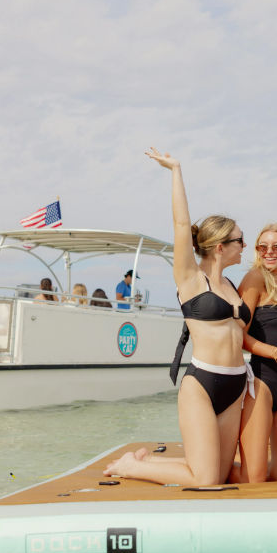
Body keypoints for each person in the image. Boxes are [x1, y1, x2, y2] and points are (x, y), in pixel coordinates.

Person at [103, 148, 250, 487]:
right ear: (219, 247)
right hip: (203, 383)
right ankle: (131, 466)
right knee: (207, 478)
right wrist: (175, 171)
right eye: (239, 240)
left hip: (236, 383)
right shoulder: (191, 278)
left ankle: (151, 460)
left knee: (220, 472)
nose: (245, 245)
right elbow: (182, 225)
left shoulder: (231, 284)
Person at [232, 223, 277, 483]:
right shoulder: (255, 278)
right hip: (262, 381)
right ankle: (213, 465)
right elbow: (239, 336)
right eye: (262, 247)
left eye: (276, 246)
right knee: (254, 478)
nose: (269, 252)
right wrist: (275, 351)